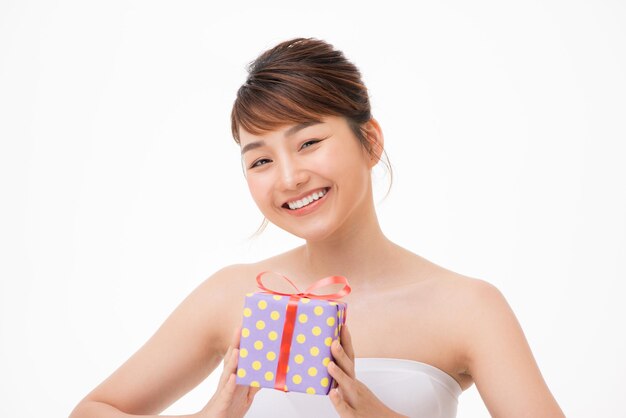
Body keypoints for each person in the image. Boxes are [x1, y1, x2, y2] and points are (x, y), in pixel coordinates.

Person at [70, 37, 565, 418]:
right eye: (260, 159)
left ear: (370, 141)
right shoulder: (236, 296)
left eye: (308, 143)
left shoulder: (468, 308)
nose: (288, 177)